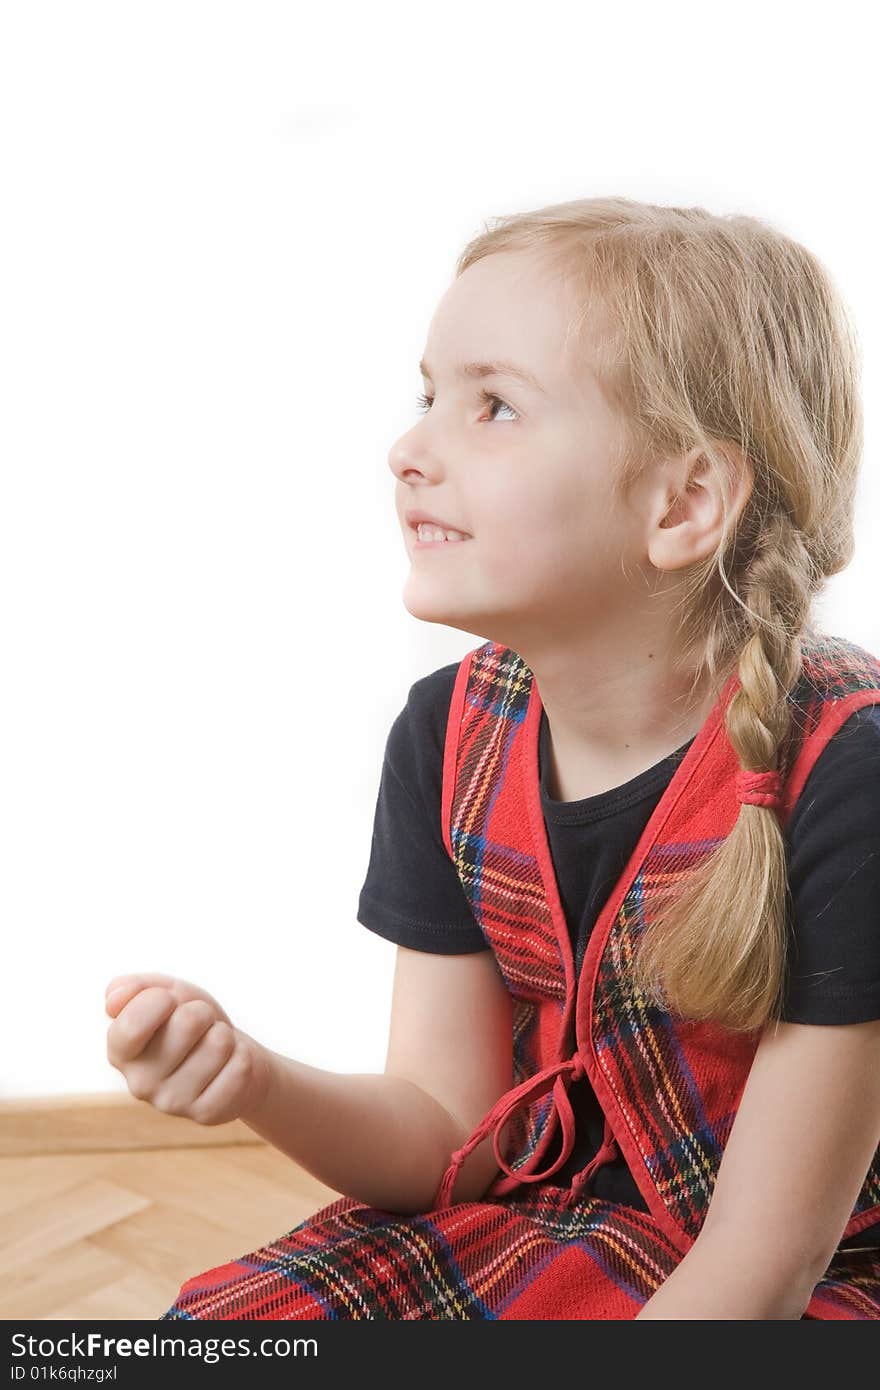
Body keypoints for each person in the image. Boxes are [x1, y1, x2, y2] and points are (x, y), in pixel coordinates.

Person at [105, 196, 880, 1319]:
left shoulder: (845, 776)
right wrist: (256, 1079)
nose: (409, 450)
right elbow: (440, 1141)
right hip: (548, 1224)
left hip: (790, 1283)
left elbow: (759, 1270)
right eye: (430, 395)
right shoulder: (447, 735)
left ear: (686, 501)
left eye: (494, 407)